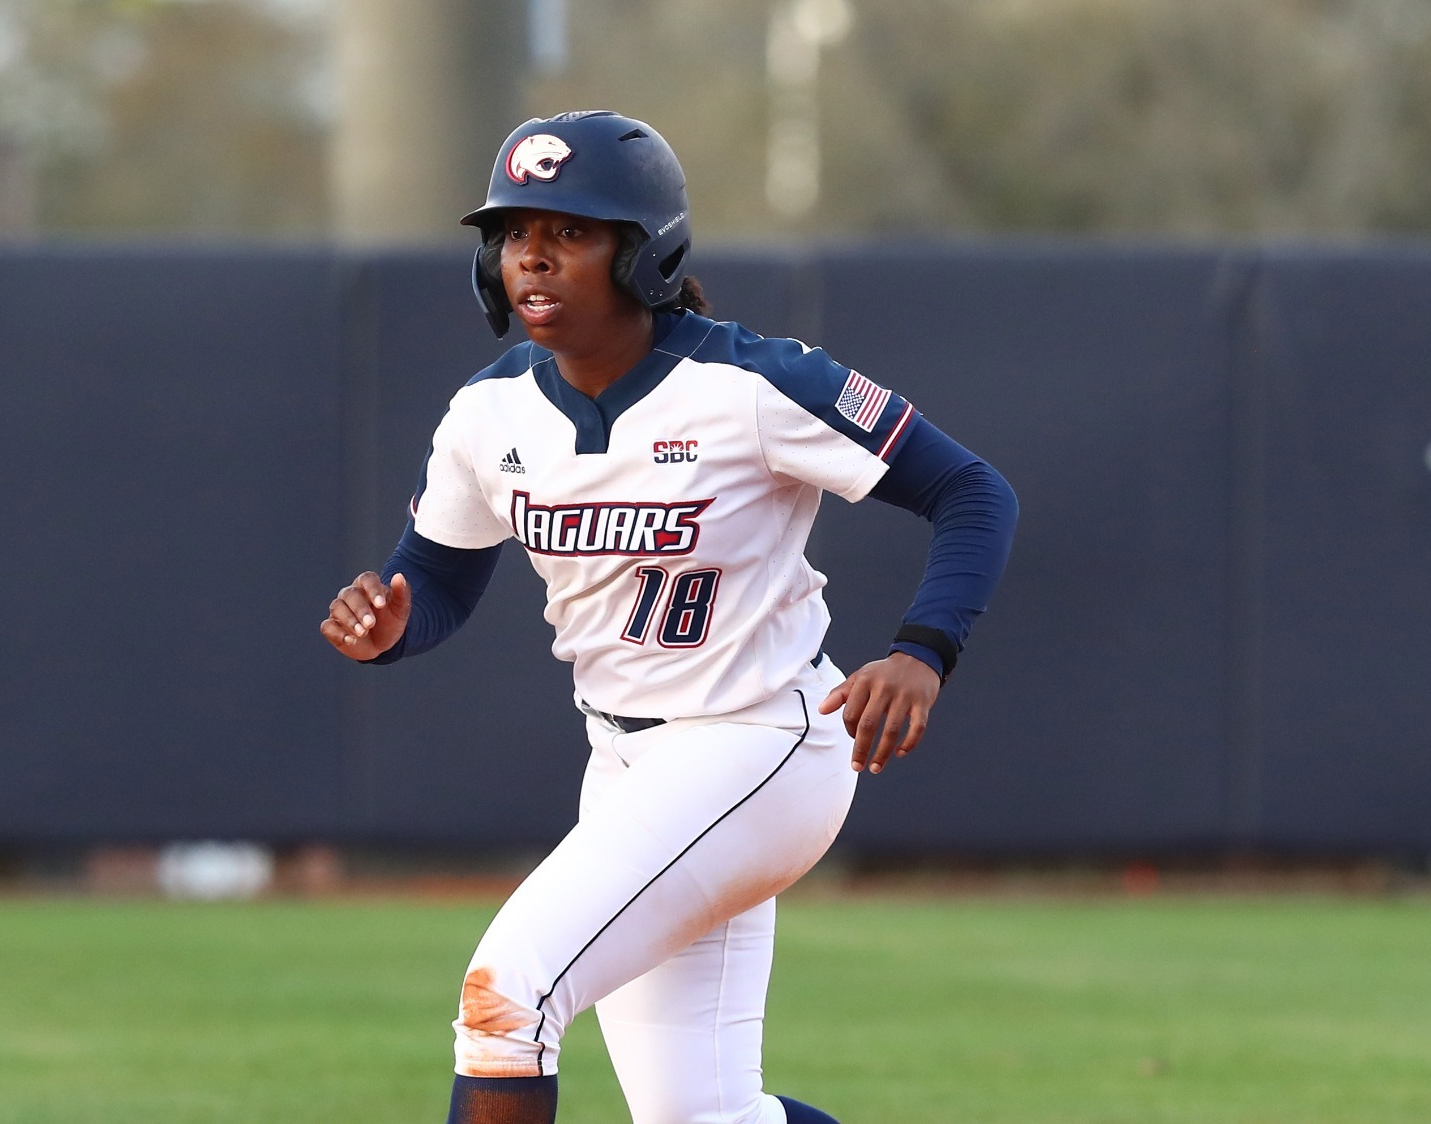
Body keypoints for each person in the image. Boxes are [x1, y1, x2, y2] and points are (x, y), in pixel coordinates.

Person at [321, 111, 1017, 1124]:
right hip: (623, 763)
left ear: (645, 253)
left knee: (505, 999)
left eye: (570, 231)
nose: (532, 258)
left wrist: (924, 648)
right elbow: (436, 571)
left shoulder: (752, 382)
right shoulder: (490, 411)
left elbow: (970, 489)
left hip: (758, 742)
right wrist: (394, 619)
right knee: (702, 1116)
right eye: (514, 233)